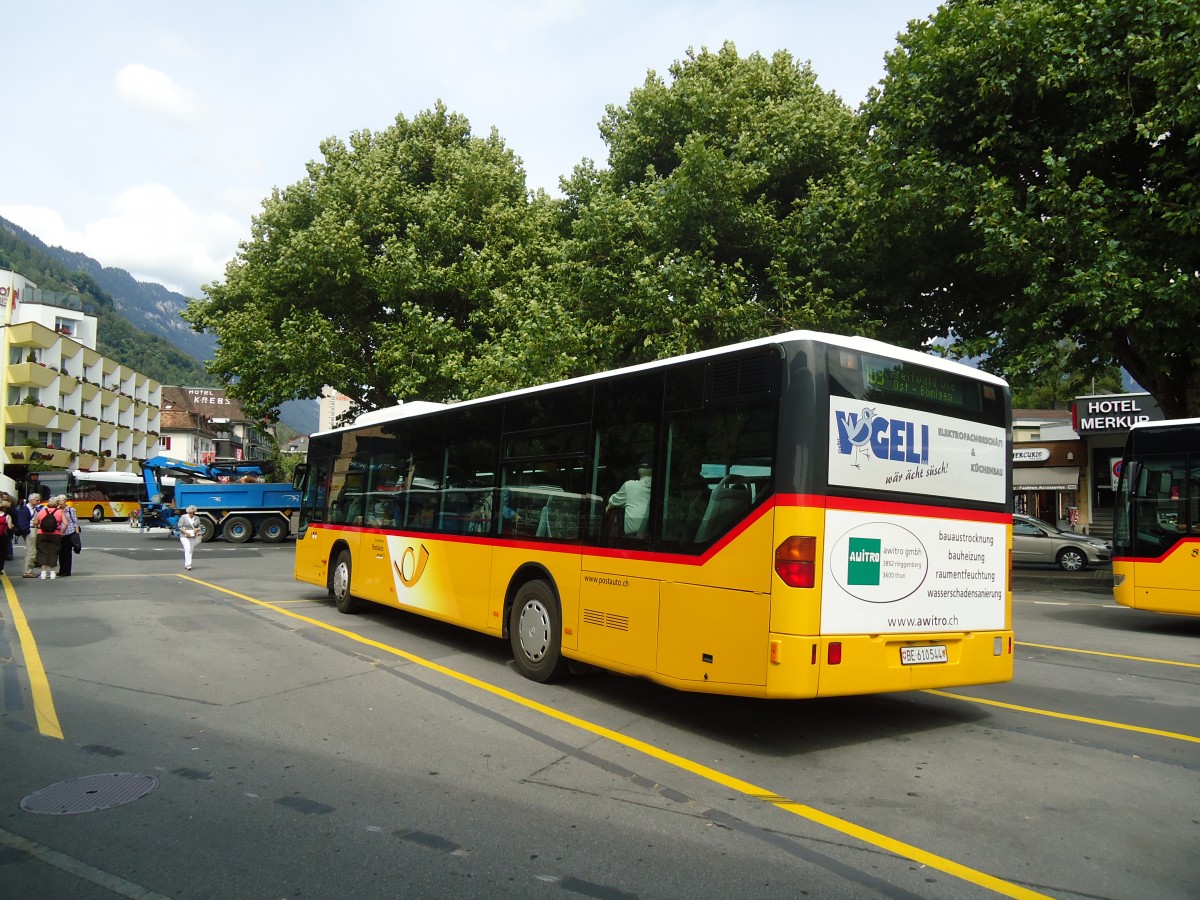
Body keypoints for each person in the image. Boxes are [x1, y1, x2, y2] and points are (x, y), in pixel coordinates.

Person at [606, 461, 653, 537]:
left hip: (633, 538)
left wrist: (609, 505)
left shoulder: (629, 486)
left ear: (639, 471)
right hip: (657, 537)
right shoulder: (662, 489)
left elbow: (613, 501)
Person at [34, 498, 63, 579]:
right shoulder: (60, 512)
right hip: (55, 534)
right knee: (53, 552)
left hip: (42, 533)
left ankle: (43, 572)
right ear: (57, 504)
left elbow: (35, 522)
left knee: (42, 552)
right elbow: (66, 523)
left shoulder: (42, 511)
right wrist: (62, 531)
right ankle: (52, 572)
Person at [16, 494, 41, 578]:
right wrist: (27, 531)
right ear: (31, 500)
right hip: (30, 530)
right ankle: (28, 572)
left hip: (33, 530)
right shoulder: (24, 510)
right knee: (31, 552)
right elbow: (22, 522)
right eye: (37, 500)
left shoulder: (34, 509)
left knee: (33, 552)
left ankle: (29, 570)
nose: (39, 502)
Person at [56, 496, 81, 577]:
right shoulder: (57, 510)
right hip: (60, 533)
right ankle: (61, 570)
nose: (60, 502)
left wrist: (77, 534)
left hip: (69, 532)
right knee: (61, 553)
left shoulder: (71, 510)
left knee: (67, 553)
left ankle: (67, 571)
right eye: (59, 501)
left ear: (65, 501)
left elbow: (75, 522)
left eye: (62, 500)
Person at [178, 505, 201, 570]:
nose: (191, 514)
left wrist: (197, 529)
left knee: (191, 550)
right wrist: (185, 532)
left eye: (193, 513)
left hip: (192, 535)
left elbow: (199, 526)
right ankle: (188, 564)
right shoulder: (183, 517)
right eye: (190, 513)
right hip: (184, 535)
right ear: (187, 512)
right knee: (187, 548)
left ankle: (187, 564)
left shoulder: (197, 518)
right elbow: (179, 526)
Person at [0, 497, 13, 576]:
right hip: (2, 536)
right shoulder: (7, 516)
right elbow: (10, 527)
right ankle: (0, 568)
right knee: (2, 552)